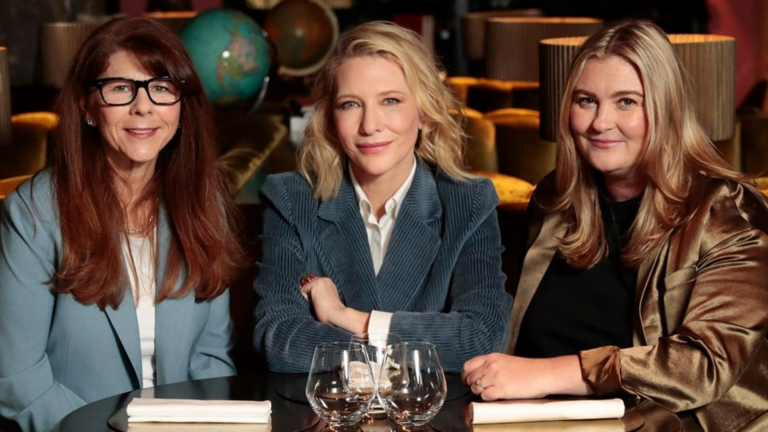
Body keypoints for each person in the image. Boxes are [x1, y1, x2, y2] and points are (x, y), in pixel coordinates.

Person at [462, 19, 768, 431]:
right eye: (586, 100)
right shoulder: (554, 198)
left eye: (627, 102)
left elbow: (704, 364)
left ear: (666, 108)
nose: (600, 122)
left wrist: (549, 373)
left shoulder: (726, 208)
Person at [0, 17, 244, 432]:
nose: (143, 106)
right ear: (87, 106)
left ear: (182, 107)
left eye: (162, 88)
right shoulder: (35, 213)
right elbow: (18, 380)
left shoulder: (204, 204)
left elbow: (211, 358)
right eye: (120, 89)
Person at [253, 21, 512, 373]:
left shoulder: (468, 203)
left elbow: (481, 338)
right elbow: (279, 339)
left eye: (390, 100)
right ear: (331, 119)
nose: (370, 125)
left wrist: (348, 318)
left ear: (424, 113)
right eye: (350, 104)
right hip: (325, 418)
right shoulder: (291, 198)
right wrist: (406, 347)